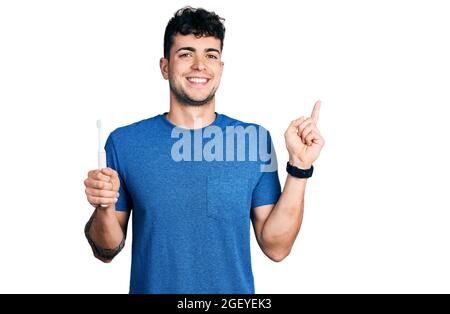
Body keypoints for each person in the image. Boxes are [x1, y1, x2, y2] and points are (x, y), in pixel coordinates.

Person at [83, 6, 325, 294]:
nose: (200, 65)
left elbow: (277, 247)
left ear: (221, 68)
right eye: (186, 54)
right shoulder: (125, 143)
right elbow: (105, 250)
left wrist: (299, 169)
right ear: (164, 67)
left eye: (211, 55)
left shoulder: (253, 141)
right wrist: (103, 207)